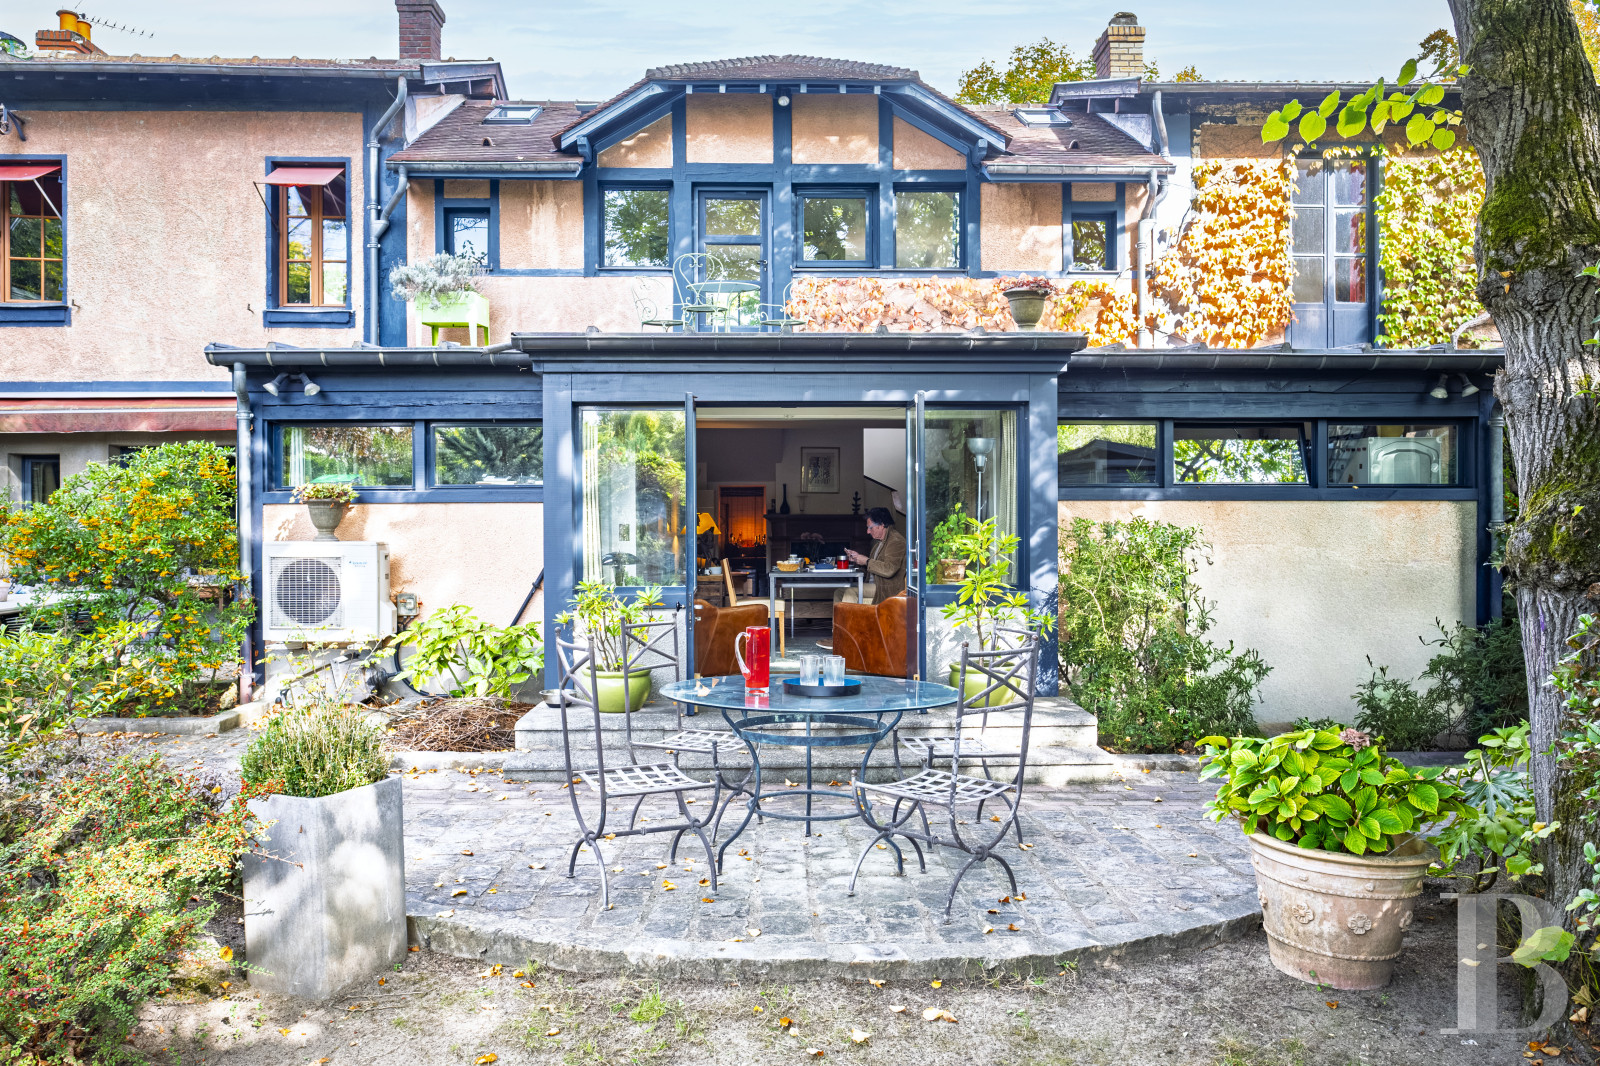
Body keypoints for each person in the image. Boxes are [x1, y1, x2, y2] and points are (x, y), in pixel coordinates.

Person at [840, 507, 906, 605]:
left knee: (849, 592)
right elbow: (871, 569)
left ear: (882, 525)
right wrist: (857, 560)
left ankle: (851, 620)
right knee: (839, 592)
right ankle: (839, 621)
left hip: (884, 588)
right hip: (874, 585)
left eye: (870, 527)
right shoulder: (878, 543)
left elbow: (889, 569)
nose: (868, 531)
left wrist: (866, 561)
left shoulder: (896, 541)